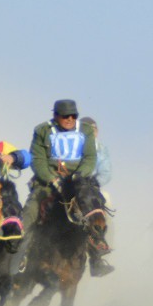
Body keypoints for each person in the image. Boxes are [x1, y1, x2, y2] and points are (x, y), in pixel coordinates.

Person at [27, 99, 112, 276]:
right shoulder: (42, 130)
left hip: (78, 185)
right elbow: (38, 160)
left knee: (96, 211)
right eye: (65, 116)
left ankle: (97, 255)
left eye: (73, 116)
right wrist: (52, 179)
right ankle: (20, 253)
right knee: (30, 211)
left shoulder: (86, 131)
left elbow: (90, 159)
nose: (69, 119)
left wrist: (78, 177)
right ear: (56, 115)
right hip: (48, 184)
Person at [80, 117, 112, 187]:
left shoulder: (101, 149)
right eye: (87, 130)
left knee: (105, 197)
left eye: (93, 130)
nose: (91, 133)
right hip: (71, 185)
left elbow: (105, 172)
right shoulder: (72, 146)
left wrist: (95, 182)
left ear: (97, 132)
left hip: (91, 186)